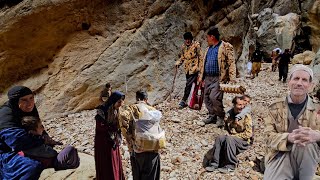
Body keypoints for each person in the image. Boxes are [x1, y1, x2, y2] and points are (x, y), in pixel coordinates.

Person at [264, 64, 320, 180]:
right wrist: (288, 138)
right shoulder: (274, 107)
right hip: (279, 154)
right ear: (289, 82)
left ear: (310, 85)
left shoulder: (317, 109)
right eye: (296, 78)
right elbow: (267, 137)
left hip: (306, 158)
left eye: (304, 80)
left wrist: (317, 136)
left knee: (308, 142)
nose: (299, 83)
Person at [0, 86, 56, 179]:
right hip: (4, 153)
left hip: (20, 147)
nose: (30, 103)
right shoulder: (5, 115)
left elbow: (37, 127)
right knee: (31, 167)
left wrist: (46, 138)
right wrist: (42, 141)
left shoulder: (28, 109)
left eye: (31, 98)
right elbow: (17, 141)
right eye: (24, 100)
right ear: (15, 101)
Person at [120, 90, 163, 180]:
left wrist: (128, 137)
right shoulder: (153, 109)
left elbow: (123, 116)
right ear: (146, 99)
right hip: (152, 149)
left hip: (137, 149)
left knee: (137, 175)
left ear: (137, 98)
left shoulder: (132, 108)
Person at [198, 27, 236, 126]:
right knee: (206, 98)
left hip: (218, 78)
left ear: (212, 37)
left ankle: (220, 116)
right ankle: (212, 116)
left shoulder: (225, 47)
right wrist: (201, 77)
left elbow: (231, 63)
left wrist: (232, 78)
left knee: (214, 97)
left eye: (208, 37)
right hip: (207, 78)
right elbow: (203, 63)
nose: (207, 39)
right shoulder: (208, 49)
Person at [205, 96, 253, 173]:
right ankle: (214, 163)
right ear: (234, 105)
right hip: (231, 138)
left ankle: (230, 165)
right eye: (239, 105)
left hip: (243, 141)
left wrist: (233, 136)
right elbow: (226, 128)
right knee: (220, 138)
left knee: (229, 139)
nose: (241, 107)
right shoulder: (229, 115)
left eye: (242, 105)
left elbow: (248, 134)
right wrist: (226, 134)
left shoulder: (246, 116)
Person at [94, 91, 125, 180]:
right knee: (107, 162)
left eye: (121, 102)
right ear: (114, 101)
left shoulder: (116, 110)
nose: (121, 104)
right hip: (103, 141)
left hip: (113, 140)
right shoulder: (102, 110)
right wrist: (112, 128)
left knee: (114, 160)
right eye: (119, 102)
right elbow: (100, 127)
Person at [175, 32, 203, 109]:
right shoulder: (183, 47)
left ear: (191, 39)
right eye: (186, 39)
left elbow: (200, 57)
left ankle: (183, 100)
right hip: (187, 69)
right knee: (191, 85)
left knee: (188, 85)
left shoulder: (196, 45)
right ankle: (192, 101)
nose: (187, 41)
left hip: (194, 69)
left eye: (189, 39)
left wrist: (200, 69)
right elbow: (182, 57)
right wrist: (179, 62)